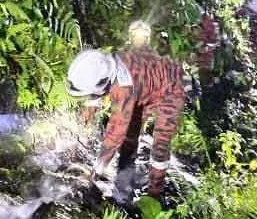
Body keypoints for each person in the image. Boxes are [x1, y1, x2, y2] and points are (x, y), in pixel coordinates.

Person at [67, 48, 188, 197]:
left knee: (160, 146)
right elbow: (98, 88)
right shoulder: (107, 64)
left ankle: (155, 194)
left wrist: (96, 171)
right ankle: (124, 181)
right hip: (145, 86)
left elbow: (115, 133)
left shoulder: (123, 89)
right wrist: (90, 108)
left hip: (172, 88)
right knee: (130, 136)